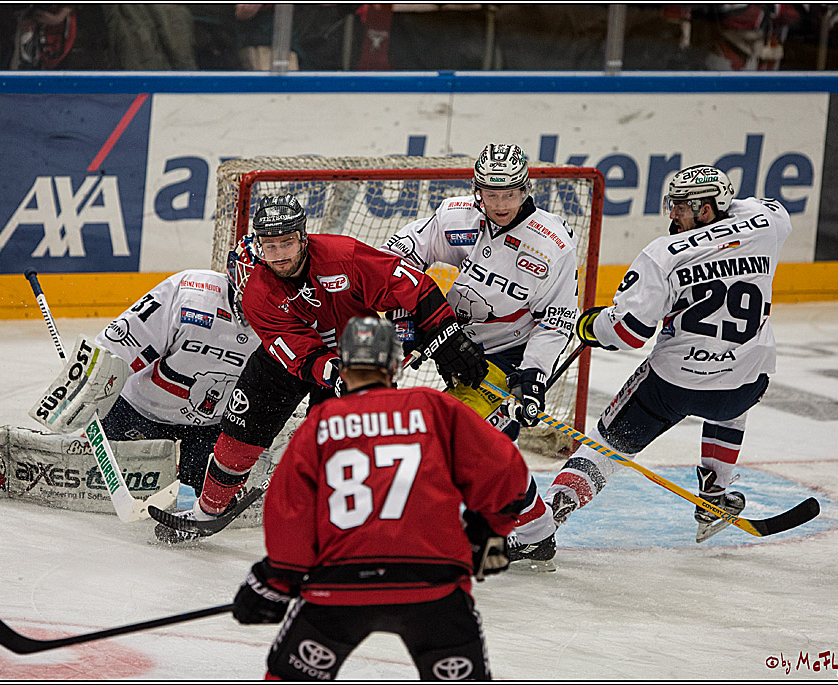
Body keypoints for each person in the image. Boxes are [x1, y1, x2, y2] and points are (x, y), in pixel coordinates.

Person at [151, 193, 487, 542]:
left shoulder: (345, 256)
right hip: (289, 363)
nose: (279, 253)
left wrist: (446, 333)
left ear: (303, 236)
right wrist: (333, 372)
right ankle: (208, 509)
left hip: (356, 354)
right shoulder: (257, 293)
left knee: (355, 452)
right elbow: (297, 351)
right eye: (270, 245)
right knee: (240, 432)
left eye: (287, 242)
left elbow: (412, 287)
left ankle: (360, 525)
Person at [230, 316, 531, 680]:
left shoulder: (322, 421)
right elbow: (506, 473)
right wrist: (489, 529)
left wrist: (277, 580)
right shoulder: (434, 407)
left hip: (339, 587)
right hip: (432, 586)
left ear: (343, 364)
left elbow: (289, 510)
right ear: (395, 364)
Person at [545, 164, 792, 549]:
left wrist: (589, 326)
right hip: (743, 386)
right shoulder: (767, 223)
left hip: (671, 386)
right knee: (736, 386)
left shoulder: (663, 254)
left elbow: (629, 332)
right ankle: (714, 496)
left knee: (606, 444)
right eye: (672, 204)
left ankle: (547, 518)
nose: (672, 214)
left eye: (682, 206)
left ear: (707, 208)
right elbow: (767, 210)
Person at [382, 142, 579, 564]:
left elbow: (558, 318)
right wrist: (408, 322)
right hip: (452, 343)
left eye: (510, 193)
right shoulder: (457, 217)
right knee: (484, 451)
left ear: (526, 188)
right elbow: (397, 258)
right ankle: (536, 531)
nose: (501, 203)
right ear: (477, 190)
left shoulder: (553, 243)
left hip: (509, 357)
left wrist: (534, 375)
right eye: (491, 193)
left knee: (450, 439)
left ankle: (406, 534)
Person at [29, 240, 261, 496]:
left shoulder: (291, 317)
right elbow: (118, 344)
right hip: (140, 409)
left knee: (206, 496)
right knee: (84, 475)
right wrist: (81, 393)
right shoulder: (191, 292)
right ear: (235, 271)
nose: (259, 289)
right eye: (254, 277)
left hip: (213, 425)